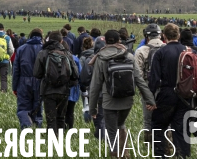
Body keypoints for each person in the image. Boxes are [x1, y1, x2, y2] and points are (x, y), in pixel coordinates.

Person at [89, 30, 156, 158]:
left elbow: (95, 86)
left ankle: (115, 155)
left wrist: (93, 109)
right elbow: (139, 80)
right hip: (127, 101)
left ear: (105, 40)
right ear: (119, 40)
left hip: (109, 101)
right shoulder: (129, 56)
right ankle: (124, 154)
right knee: (121, 124)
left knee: (112, 131)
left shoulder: (101, 57)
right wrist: (150, 100)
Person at [33, 31, 79, 135]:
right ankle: (61, 141)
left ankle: (52, 143)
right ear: (61, 41)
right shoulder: (67, 53)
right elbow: (75, 74)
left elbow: (36, 73)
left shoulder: (43, 53)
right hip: (64, 90)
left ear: (48, 39)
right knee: (61, 118)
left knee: (51, 119)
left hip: (48, 90)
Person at [134, 23, 165, 142]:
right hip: (165, 89)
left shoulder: (140, 51)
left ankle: (148, 146)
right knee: (165, 120)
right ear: (160, 35)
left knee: (148, 120)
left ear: (146, 36)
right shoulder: (167, 48)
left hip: (147, 89)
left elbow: (138, 74)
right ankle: (166, 147)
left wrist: (142, 90)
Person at [12, 28, 43, 127]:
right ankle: (38, 126)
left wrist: (14, 87)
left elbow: (16, 70)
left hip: (24, 81)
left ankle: (26, 126)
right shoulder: (44, 49)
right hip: (40, 82)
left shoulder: (21, 49)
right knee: (38, 106)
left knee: (23, 107)